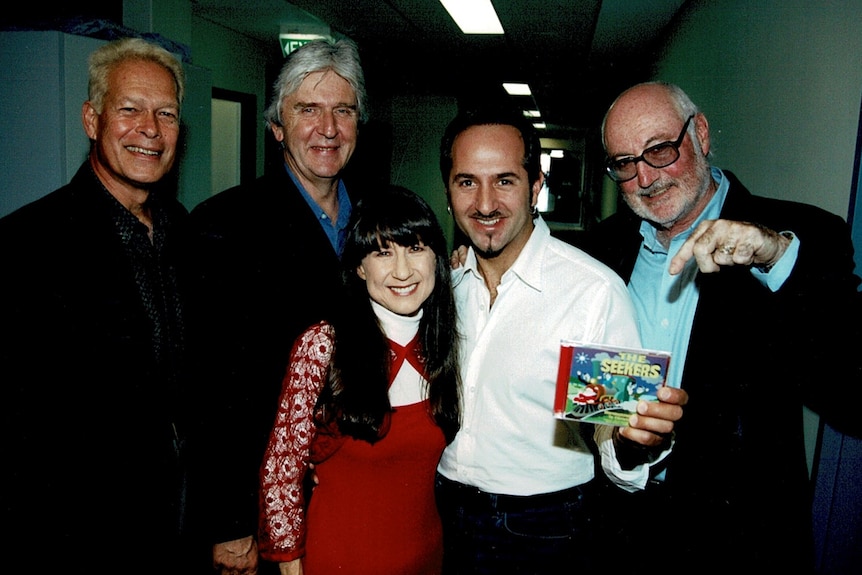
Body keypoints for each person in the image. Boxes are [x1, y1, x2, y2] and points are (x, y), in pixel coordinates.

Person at [580, 81, 862, 572]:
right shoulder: (599, 253)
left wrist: (775, 259)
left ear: (701, 134)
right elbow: (593, 391)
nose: (646, 177)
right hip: (619, 528)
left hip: (740, 542)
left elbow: (853, 391)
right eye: (625, 163)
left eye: (661, 150)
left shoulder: (799, 236)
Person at [434, 105, 689, 575]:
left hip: (544, 526)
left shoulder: (590, 291)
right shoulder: (442, 289)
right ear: (448, 193)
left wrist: (635, 439)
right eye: (467, 181)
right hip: (444, 509)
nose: (485, 203)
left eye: (505, 181)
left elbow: (611, 430)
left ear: (535, 188)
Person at [0, 37, 190, 570]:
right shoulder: (26, 248)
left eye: (166, 113)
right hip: (78, 540)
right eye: (129, 109)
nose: (149, 129)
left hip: (181, 536)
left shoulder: (189, 237)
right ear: (91, 119)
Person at [183, 38, 368, 574]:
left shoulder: (381, 223)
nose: (328, 128)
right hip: (262, 512)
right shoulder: (224, 226)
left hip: (356, 493)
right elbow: (207, 390)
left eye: (344, 110)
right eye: (307, 109)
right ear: (277, 126)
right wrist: (228, 522)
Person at [257, 184, 461, 575]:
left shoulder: (444, 343)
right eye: (382, 253)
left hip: (425, 557)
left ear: (437, 257)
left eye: (416, 248)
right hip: (339, 559)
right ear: (359, 266)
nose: (403, 271)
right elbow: (281, 467)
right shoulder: (324, 345)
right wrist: (289, 562)